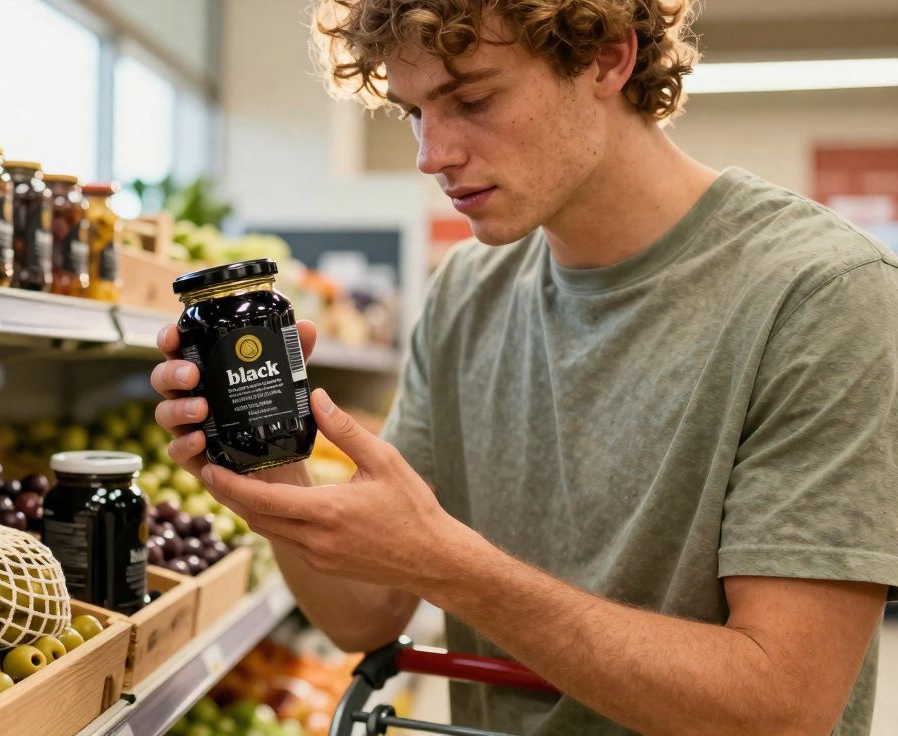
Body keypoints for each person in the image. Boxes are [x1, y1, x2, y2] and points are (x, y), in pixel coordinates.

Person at [151, 0, 898, 733]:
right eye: (414, 112)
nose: (430, 154)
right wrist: (268, 466)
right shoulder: (466, 292)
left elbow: (781, 709)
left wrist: (450, 566)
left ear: (607, 57)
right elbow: (364, 615)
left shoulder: (821, 294)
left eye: (472, 99)